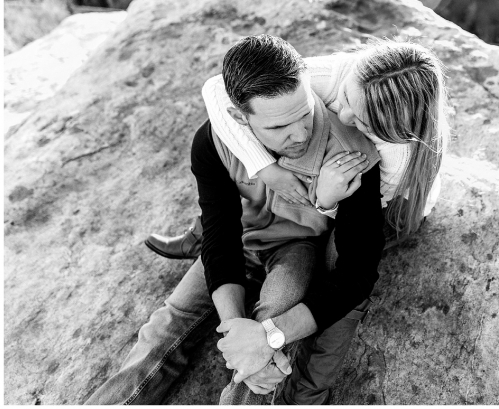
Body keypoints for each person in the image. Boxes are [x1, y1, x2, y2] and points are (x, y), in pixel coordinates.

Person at [85, 34, 385, 405]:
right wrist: (236, 331)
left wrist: (265, 338)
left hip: (297, 249)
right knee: (165, 327)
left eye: (305, 113)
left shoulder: (353, 157)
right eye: (278, 128)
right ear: (238, 118)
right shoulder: (213, 143)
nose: (300, 134)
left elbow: (357, 274)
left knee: (274, 313)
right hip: (242, 239)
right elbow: (221, 237)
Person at [147, 39, 450, 261]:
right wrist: (264, 167)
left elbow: (355, 208)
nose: (343, 116)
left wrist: (325, 200)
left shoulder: (396, 158)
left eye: (363, 122)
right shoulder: (343, 73)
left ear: (392, 130)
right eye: (345, 98)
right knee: (260, 137)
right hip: (325, 163)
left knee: (334, 261)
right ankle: (214, 236)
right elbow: (217, 88)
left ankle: (280, 263)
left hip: (379, 207)